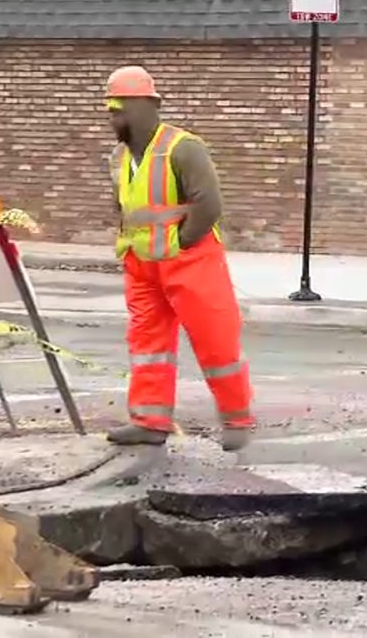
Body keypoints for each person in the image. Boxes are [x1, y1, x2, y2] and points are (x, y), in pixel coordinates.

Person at [102, 65, 254, 451]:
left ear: (146, 106)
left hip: (190, 260)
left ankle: (237, 418)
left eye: (120, 108)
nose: (113, 116)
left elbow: (209, 205)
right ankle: (150, 420)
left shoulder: (183, 147)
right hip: (142, 264)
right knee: (147, 344)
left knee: (215, 338)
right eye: (111, 109)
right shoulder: (119, 156)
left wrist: (183, 244)